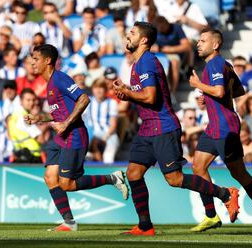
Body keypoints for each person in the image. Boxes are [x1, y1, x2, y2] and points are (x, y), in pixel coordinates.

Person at [113, 22, 239, 236]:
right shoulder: (137, 65)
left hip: (163, 127)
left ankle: (226, 194)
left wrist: (128, 93)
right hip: (148, 128)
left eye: (132, 33)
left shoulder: (147, 62)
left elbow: (150, 97)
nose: (128, 35)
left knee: (174, 179)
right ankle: (145, 226)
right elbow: (143, 96)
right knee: (133, 174)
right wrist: (127, 91)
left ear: (144, 40)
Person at [26, 44, 129, 231]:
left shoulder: (59, 78)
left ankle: (112, 178)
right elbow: (58, 113)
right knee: (50, 177)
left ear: (48, 60)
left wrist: (66, 124)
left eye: (35, 59)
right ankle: (69, 222)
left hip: (74, 135)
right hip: (61, 138)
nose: (32, 62)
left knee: (67, 184)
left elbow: (84, 99)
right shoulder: (49, 84)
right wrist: (39, 117)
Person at [188, 27, 252, 233]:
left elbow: (220, 91)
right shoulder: (224, 65)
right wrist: (209, 97)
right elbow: (238, 90)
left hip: (224, 126)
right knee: (198, 167)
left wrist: (199, 85)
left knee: (238, 172)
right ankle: (211, 216)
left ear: (215, 44)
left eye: (203, 41)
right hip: (214, 126)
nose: (198, 44)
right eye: (199, 41)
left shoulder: (215, 64)